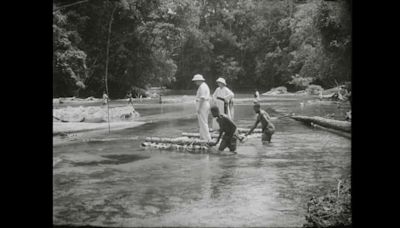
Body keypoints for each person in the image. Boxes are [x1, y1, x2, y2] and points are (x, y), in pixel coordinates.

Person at [192, 74, 212, 141]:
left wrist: (199, 108)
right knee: (202, 122)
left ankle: (207, 138)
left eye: (196, 81)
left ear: (199, 80)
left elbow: (202, 98)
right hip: (204, 104)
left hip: (202, 105)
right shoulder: (203, 86)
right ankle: (202, 137)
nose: (195, 82)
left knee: (203, 122)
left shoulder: (202, 87)